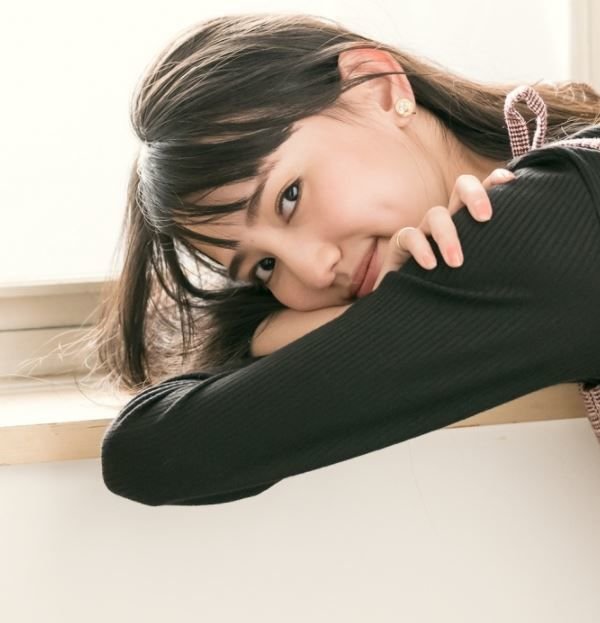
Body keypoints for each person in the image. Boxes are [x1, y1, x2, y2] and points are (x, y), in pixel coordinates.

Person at [90, 14, 600, 506]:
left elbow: (153, 452)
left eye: (289, 197)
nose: (312, 271)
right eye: (265, 268)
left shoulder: (549, 219)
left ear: (378, 87)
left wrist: (276, 332)